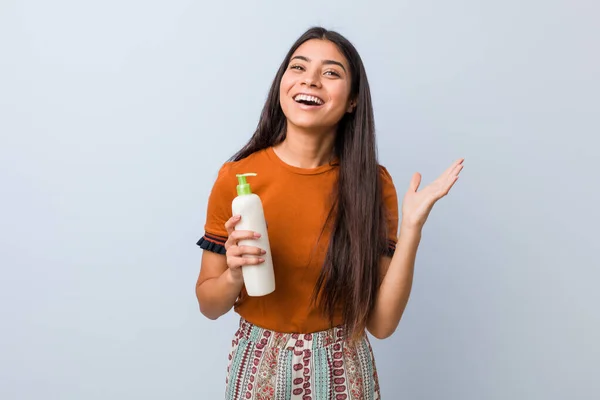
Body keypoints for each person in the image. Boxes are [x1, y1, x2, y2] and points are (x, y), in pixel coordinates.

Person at [195, 26, 464, 400]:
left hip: (343, 368)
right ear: (282, 85)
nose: (311, 80)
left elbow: (382, 324)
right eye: (299, 67)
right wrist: (234, 275)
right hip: (259, 366)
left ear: (353, 100)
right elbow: (208, 304)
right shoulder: (237, 178)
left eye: (331, 72)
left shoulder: (371, 183)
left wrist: (413, 229)